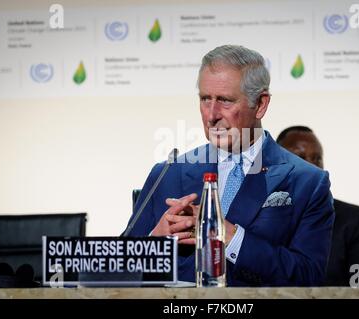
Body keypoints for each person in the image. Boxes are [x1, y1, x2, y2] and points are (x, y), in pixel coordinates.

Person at [124, 45, 335, 286]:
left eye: (225, 100)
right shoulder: (167, 173)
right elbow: (115, 273)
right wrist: (155, 241)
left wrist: (230, 237)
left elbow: (308, 278)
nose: (211, 114)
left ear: (261, 104)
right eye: (205, 99)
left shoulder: (307, 182)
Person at [276, 125, 359, 286]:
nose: (312, 167)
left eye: (317, 158)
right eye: (300, 158)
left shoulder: (353, 220)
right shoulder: (255, 216)